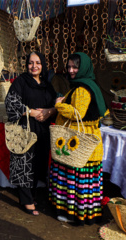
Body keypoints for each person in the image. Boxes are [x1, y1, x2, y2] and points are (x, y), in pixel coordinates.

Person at [49, 52, 107, 225]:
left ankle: (72, 214)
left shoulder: (82, 89)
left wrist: (59, 106)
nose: (71, 70)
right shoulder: (89, 85)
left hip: (78, 143)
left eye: (75, 67)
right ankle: (83, 213)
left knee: (74, 180)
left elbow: (77, 113)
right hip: (84, 141)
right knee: (83, 183)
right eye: (69, 67)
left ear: (84, 68)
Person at [5, 52, 57, 216]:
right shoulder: (21, 82)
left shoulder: (47, 85)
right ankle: (26, 200)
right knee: (24, 163)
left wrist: (50, 110)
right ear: (26, 65)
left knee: (37, 163)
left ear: (42, 65)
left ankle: (30, 196)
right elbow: (11, 102)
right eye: (31, 63)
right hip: (25, 129)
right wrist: (32, 112)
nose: (34, 66)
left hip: (42, 130)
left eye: (38, 63)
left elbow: (56, 103)